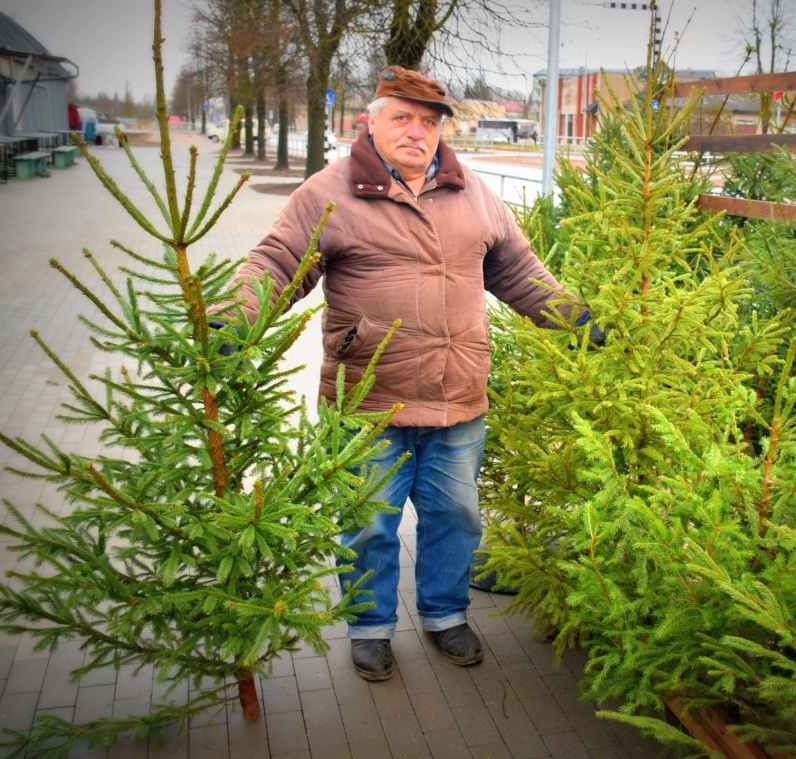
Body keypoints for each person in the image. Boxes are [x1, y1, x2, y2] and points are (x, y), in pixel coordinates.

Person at [233, 66, 595, 682]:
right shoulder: (328, 193)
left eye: (428, 121)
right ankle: (370, 627)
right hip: (368, 401)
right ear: (369, 121)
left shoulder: (473, 192)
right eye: (401, 117)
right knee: (368, 520)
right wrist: (230, 317)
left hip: (459, 397)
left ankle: (445, 615)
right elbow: (276, 261)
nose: (416, 131)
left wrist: (577, 319)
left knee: (456, 516)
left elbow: (517, 270)